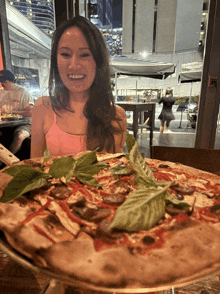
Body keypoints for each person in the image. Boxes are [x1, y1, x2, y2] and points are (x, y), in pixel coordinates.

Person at [31, 16, 127, 158]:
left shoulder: (117, 117)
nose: (74, 65)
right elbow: (34, 168)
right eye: (65, 54)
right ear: (55, 60)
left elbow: (115, 174)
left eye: (84, 55)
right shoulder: (42, 107)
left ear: (99, 62)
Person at [0, 69, 34, 154]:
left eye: (5, 81)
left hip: (25, 124)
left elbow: (31, 112)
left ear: (12, 81)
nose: (2, 83)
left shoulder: (23, 92)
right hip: (6, 123)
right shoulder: (1, 92)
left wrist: (13, 111)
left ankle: (9, 161)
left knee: (20, 136)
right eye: (1, 81)